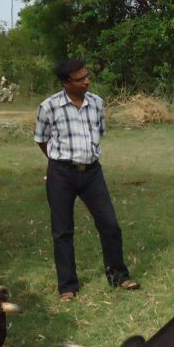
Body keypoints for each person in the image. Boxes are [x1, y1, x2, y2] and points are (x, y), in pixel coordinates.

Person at [34, 59, 140, 302]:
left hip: (92, 172)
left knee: (110, 225)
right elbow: (41, 139)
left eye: (87, 76)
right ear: (65, 83)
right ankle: (68, 287)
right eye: (80, 79)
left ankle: (118, 276)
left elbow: (98, 133)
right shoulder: (49, 106)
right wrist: (58, 161)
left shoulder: (97, 103)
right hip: (61, 173)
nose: (87, 81)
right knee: (62, 230)